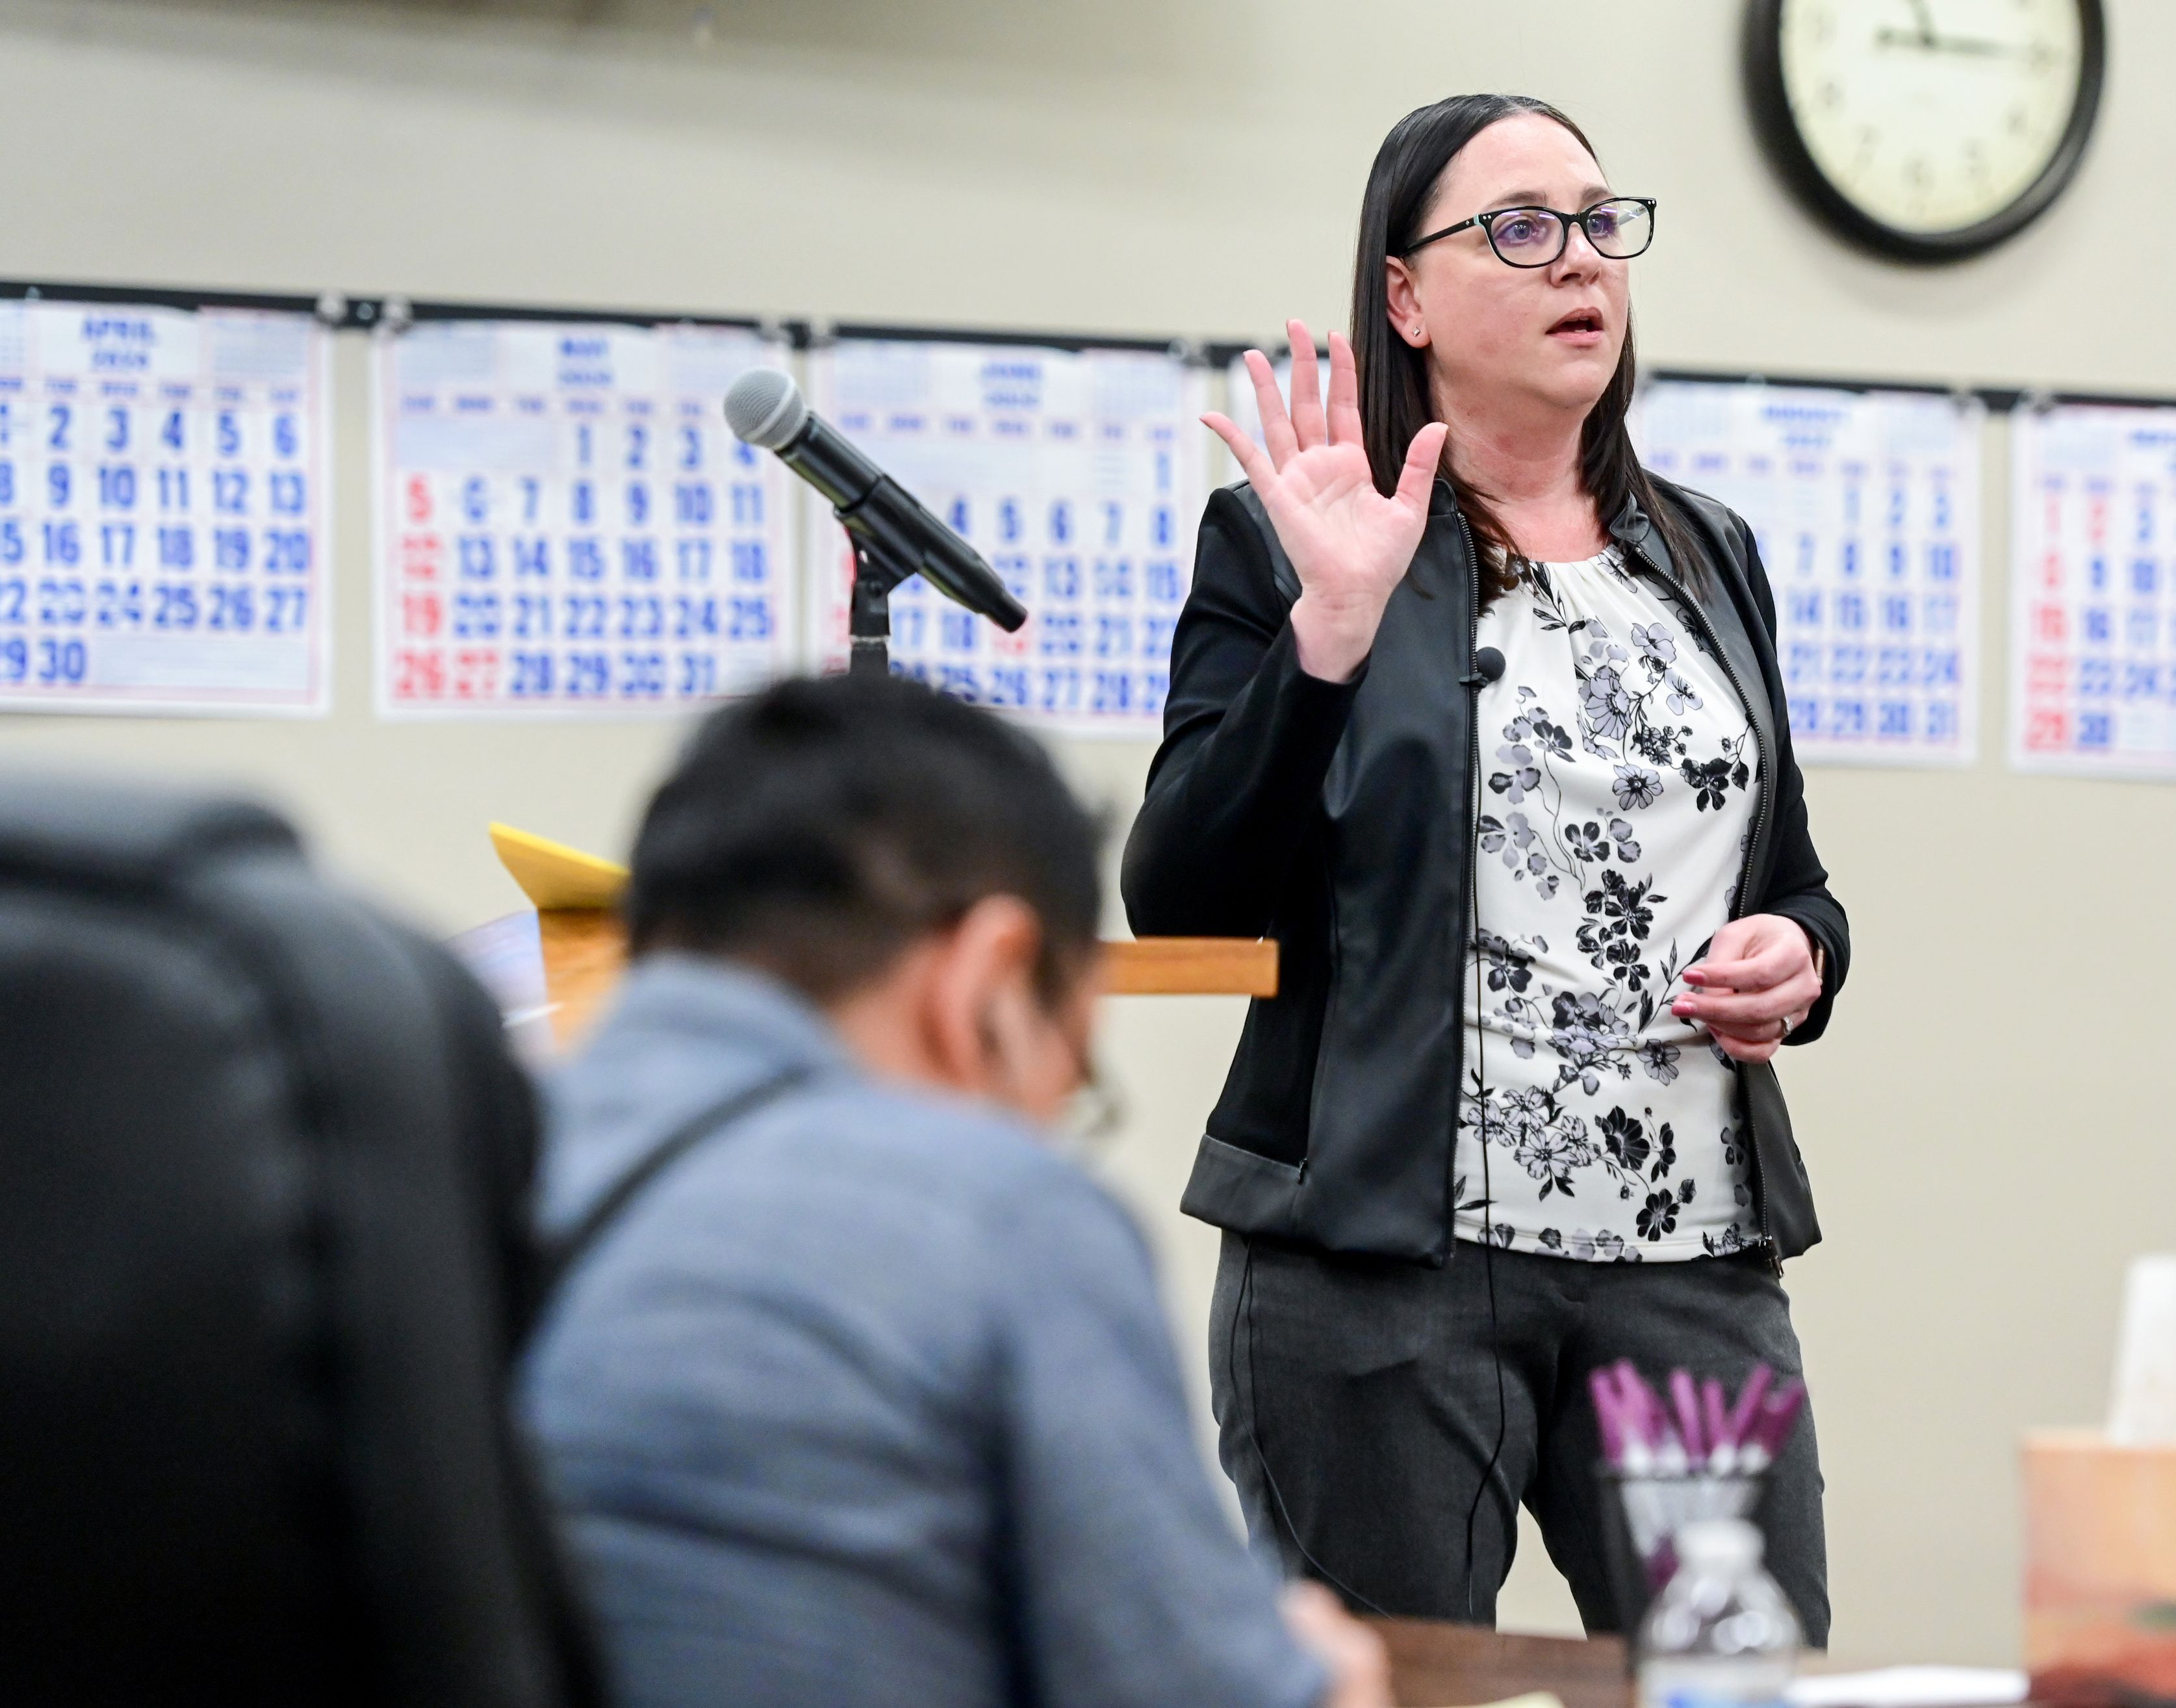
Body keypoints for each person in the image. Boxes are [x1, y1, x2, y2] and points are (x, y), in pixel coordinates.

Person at [1123, 94, 1849, 1642]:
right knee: (1393, 1693)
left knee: (1748, 1678)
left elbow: (1791, 874)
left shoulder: (1707, 553)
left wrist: (1803, 952)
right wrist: (1329, 637)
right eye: (1518, 230)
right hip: (1387, 1263)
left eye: (1600, 223)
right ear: (1406, 294)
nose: (1577, 260)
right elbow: (1176, 900)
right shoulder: (1288, 540)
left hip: (1685, 1264)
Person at [520, 674, 1390, 1708]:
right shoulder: (998, 1211)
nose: (1043, 1122)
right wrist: (1331, 1675)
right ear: (990, 980)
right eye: (1069, 1080)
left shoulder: (486, 1153)